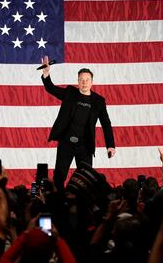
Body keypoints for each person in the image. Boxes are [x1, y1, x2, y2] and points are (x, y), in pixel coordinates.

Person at [40, 55, 115, 190]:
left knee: (85, 179)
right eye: (81, 80)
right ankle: (59, 203)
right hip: (66, 143)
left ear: (92, 82)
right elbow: (51, 88)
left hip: (85, 146)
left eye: (87, 80)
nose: (84, 82)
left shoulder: (98, 101)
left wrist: (110, 145)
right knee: (59, 176)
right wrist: (46, 74)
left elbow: (106, 124)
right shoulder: (70, 93)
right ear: (78, 81)